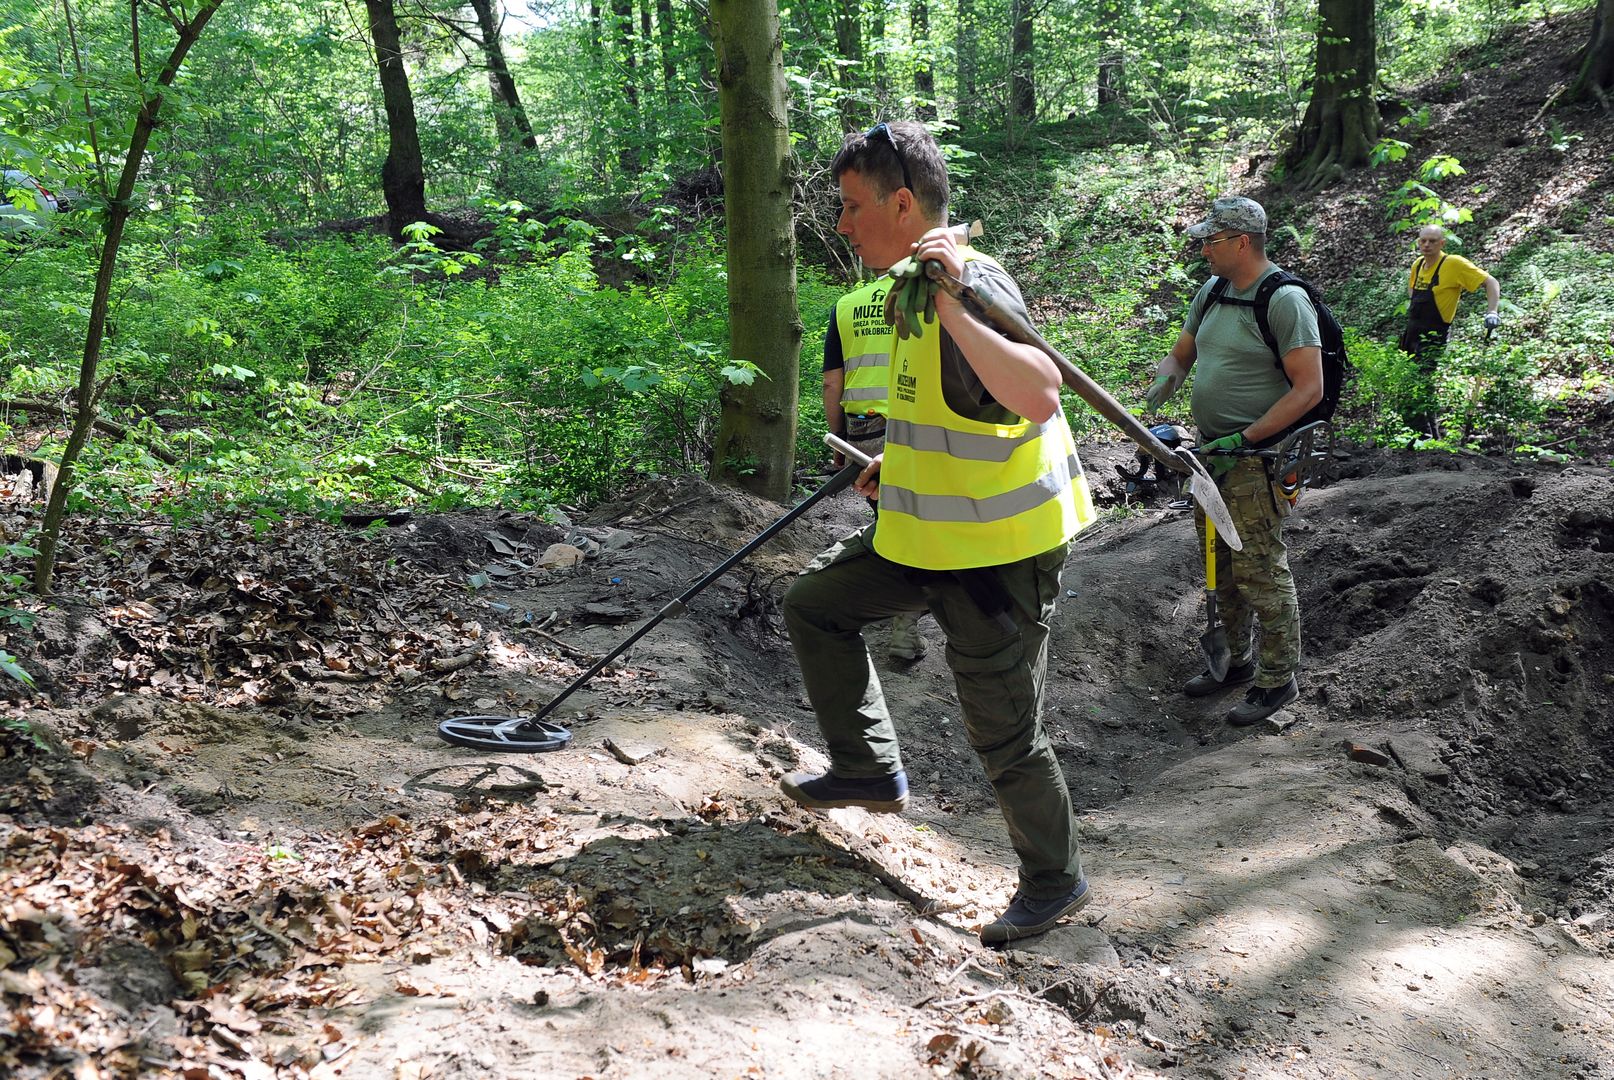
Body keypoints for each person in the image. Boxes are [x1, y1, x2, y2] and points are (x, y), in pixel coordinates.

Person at [779, 120, 1099, 946]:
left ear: (903, 201)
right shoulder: (908, 288)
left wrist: (957, 305)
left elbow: (1038, 392)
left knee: (1003, 731)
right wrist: (900, 465)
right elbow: (951, 413)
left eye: (852, 208)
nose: (843, 225)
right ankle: (867, 769)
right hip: (924, 529)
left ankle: (1055, 880)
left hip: (997, 557)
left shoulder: (970, 283)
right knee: (816, 602)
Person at [1144, 196, 1323, 726]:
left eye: (1211, 240)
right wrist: (1158, 391)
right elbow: (1182, 354)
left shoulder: (1285, 301)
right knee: (1218, 568)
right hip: (1210, 457)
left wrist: (1244, 437)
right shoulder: (1213, 290)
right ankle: (1236, 663)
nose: (1202, 249)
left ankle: (1277, 679)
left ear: (1242, 242)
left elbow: (1308, 389)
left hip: (1255, 459)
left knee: (1259, 568)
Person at [823, 273, 927, 661]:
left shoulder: (847, 304)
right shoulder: (925, 295)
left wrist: (840, 436)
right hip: (914, 427)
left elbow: (833, 382)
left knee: (892, 521)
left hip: (863, 428)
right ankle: (905, 619)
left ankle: (890, 605)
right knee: (917, 525)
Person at [1397, 224, 1502, 435]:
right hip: (1412, 332)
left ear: (1442, 243)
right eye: (1423, 241)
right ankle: (1414, 434)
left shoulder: (1453, 264)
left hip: (1434, 335)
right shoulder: (1418, 265)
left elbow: (1490, 282)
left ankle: (1428, 435)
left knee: (1421, 382)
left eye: (1432, 241)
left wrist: (1493, 311)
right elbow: (1412, 294)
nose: (1427, 245)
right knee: (1405, 382)